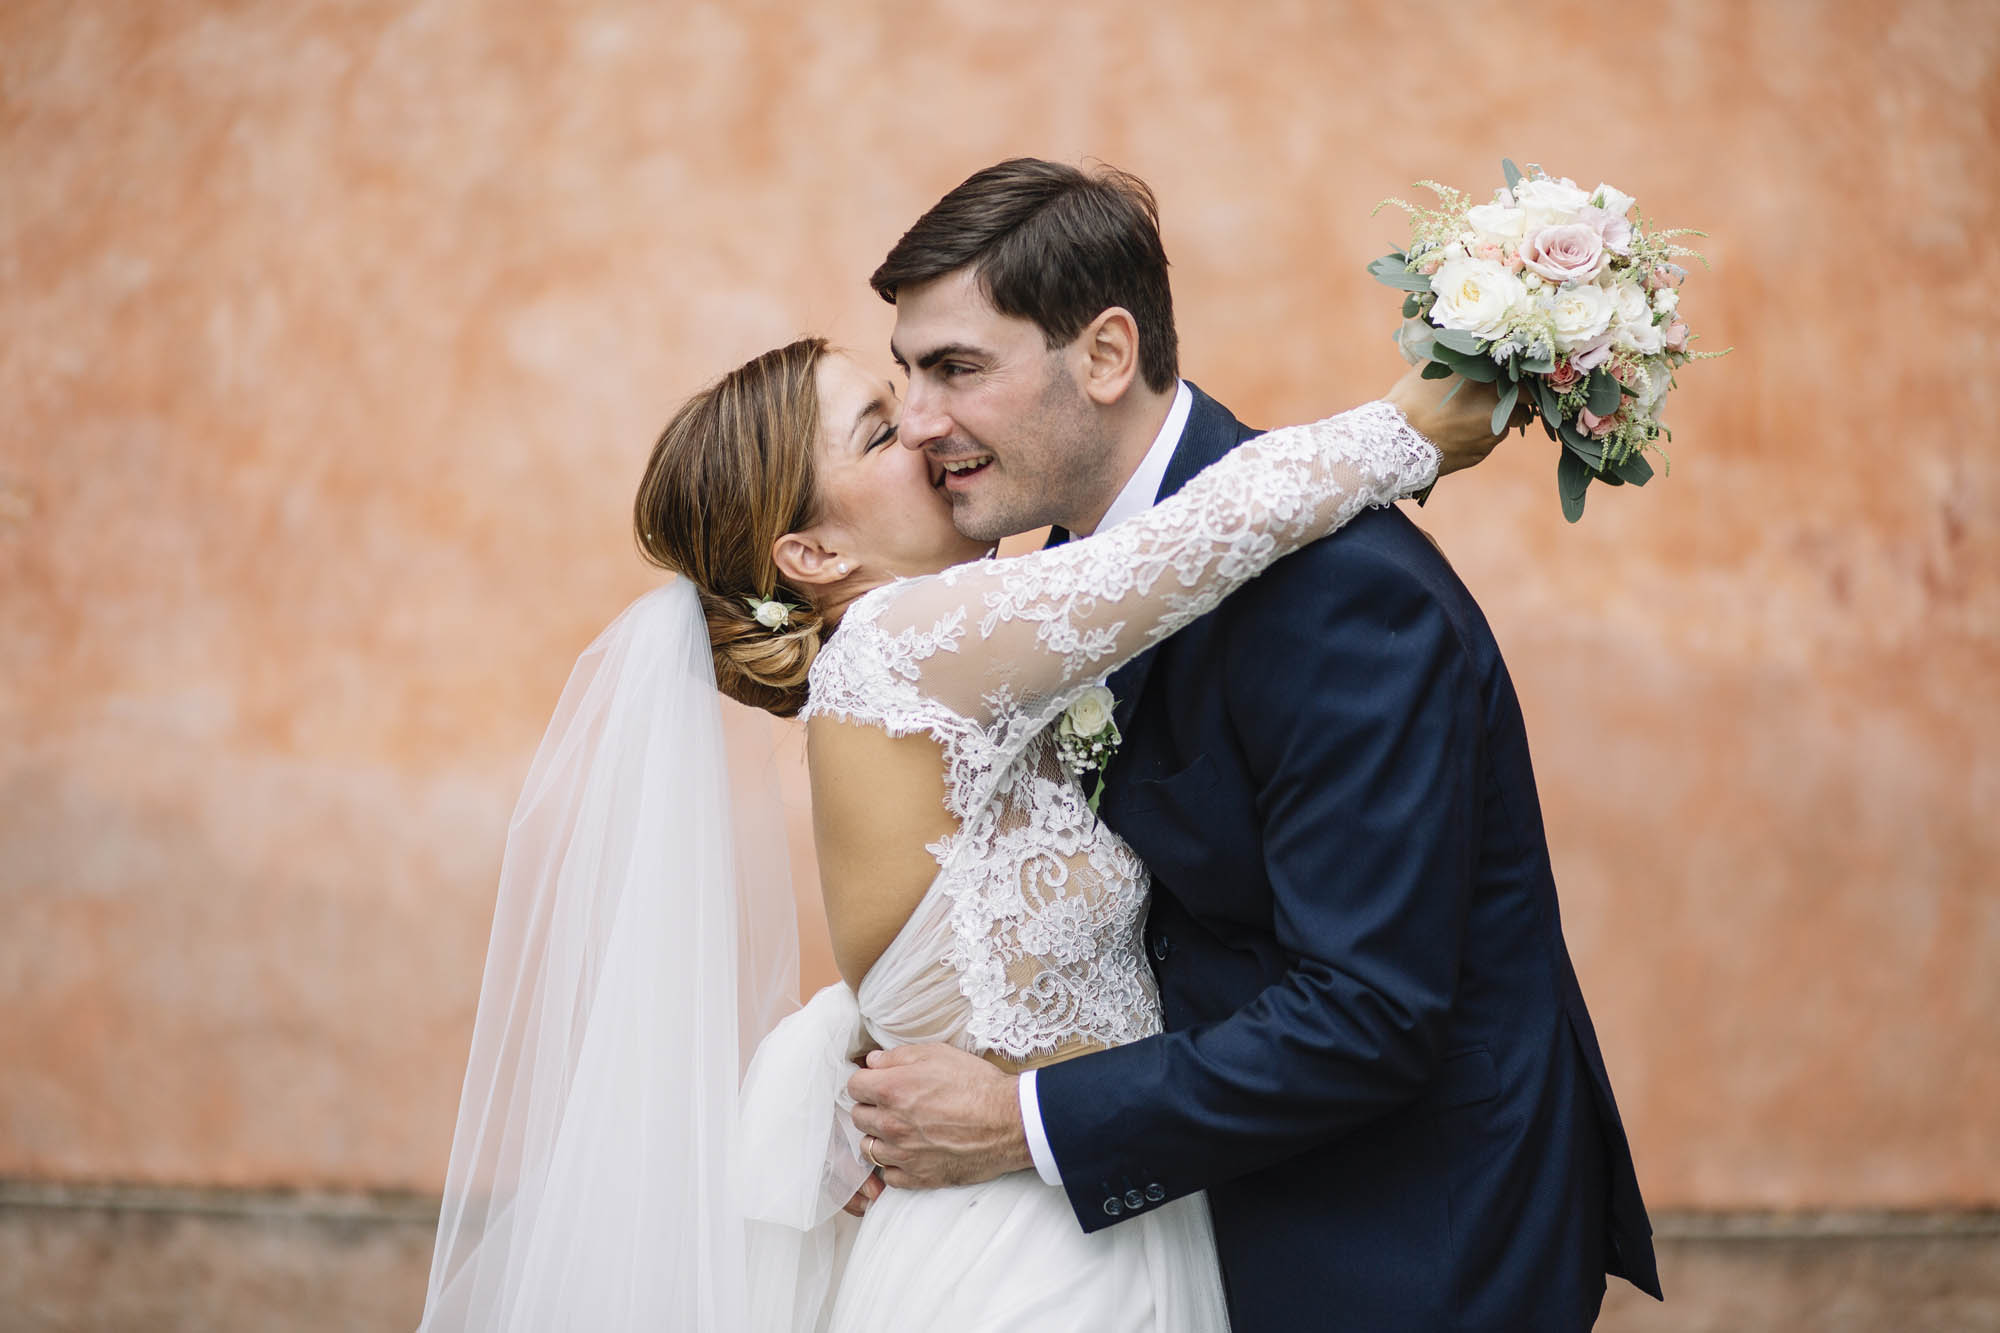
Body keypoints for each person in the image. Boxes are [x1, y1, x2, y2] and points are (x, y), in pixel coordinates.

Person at [414, 217, 1513, 1329]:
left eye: (929, 388)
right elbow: (1175, 548)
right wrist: (1407, 426)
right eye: (881, 428)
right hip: (1022, 1259)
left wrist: (846, 1073)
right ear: (813, 555)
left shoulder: (956, 671)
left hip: (1098, 1211)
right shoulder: (896, 647)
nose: (928, 432)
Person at [844, 159, 1663, 1331]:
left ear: (1106, 354)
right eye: (902, 376)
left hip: (1398, 1245)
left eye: (956, 369)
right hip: (1205, 1219)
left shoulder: (1341, 594)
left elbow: (1367, 1012)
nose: (920, 421)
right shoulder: (1057, 597)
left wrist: (1017, 1121)